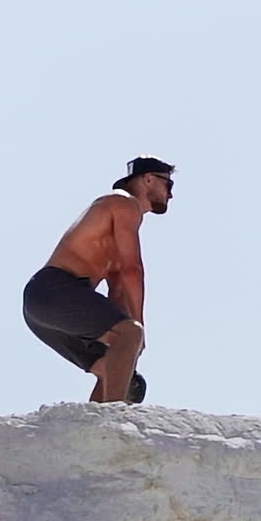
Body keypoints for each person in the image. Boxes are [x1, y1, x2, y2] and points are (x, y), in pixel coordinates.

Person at [23, 156, 175, 403]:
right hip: (55, 289)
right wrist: (137, 326)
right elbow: (132, 270)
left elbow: (117, 294)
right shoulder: (123, 203)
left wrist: (130, 341)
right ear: (148, 179)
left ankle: (94, 428)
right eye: (168, 185)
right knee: (130, 335)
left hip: (42, 311)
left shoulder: (115, 231)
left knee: (121, 371)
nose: (170, 195)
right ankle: (111, 417)